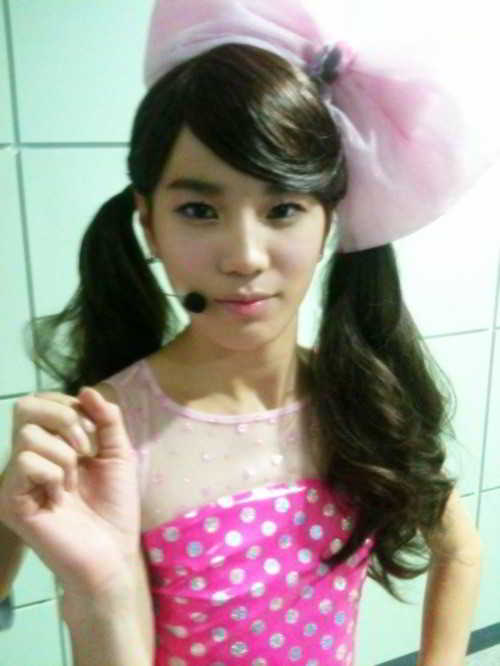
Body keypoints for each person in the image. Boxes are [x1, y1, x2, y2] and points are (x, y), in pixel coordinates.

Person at [0, 1, 493, 664]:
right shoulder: (107, 431)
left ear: (328, 221)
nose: (244, 256)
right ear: (149, 223)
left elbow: (459, 549)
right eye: (199, 210)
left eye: (283, 208)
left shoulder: (359, 397)